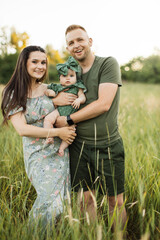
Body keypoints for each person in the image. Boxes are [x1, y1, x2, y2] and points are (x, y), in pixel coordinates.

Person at [56, 25, 127, 230]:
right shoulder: (70, 72)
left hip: (107, 145)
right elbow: (55, 93)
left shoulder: (107, 64)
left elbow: (103, 104)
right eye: (71, 42)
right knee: (85, 201)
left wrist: (68, 120)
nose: (76, 45)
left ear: (90, 41)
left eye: (80, 40)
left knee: (115, 202)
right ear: (67, 47)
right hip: (78, 146)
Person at [1, 46, 76, 227]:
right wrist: (58, 132)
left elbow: (73, 101)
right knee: (48, 202)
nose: (40, 66)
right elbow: (22, 129)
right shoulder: (13, 93)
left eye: (43, 62)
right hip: (38, 156)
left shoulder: (50, 89)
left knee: (61, 203)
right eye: (35, 61)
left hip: (59, 152)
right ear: (23, 64)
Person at [44, 56, 86, 157]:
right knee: (48, 119)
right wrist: (50, 92)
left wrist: (79, 100)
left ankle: (62, 148)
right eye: (64, 76)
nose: (68, 78)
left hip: (71, 113)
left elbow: (83, 97)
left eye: (71, 76)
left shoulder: (77, 87)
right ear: (59, 78)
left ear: (76, 77)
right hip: (59, 111)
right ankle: (49, 135)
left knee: (71, 132)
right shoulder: (58, 87)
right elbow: (47, 90)